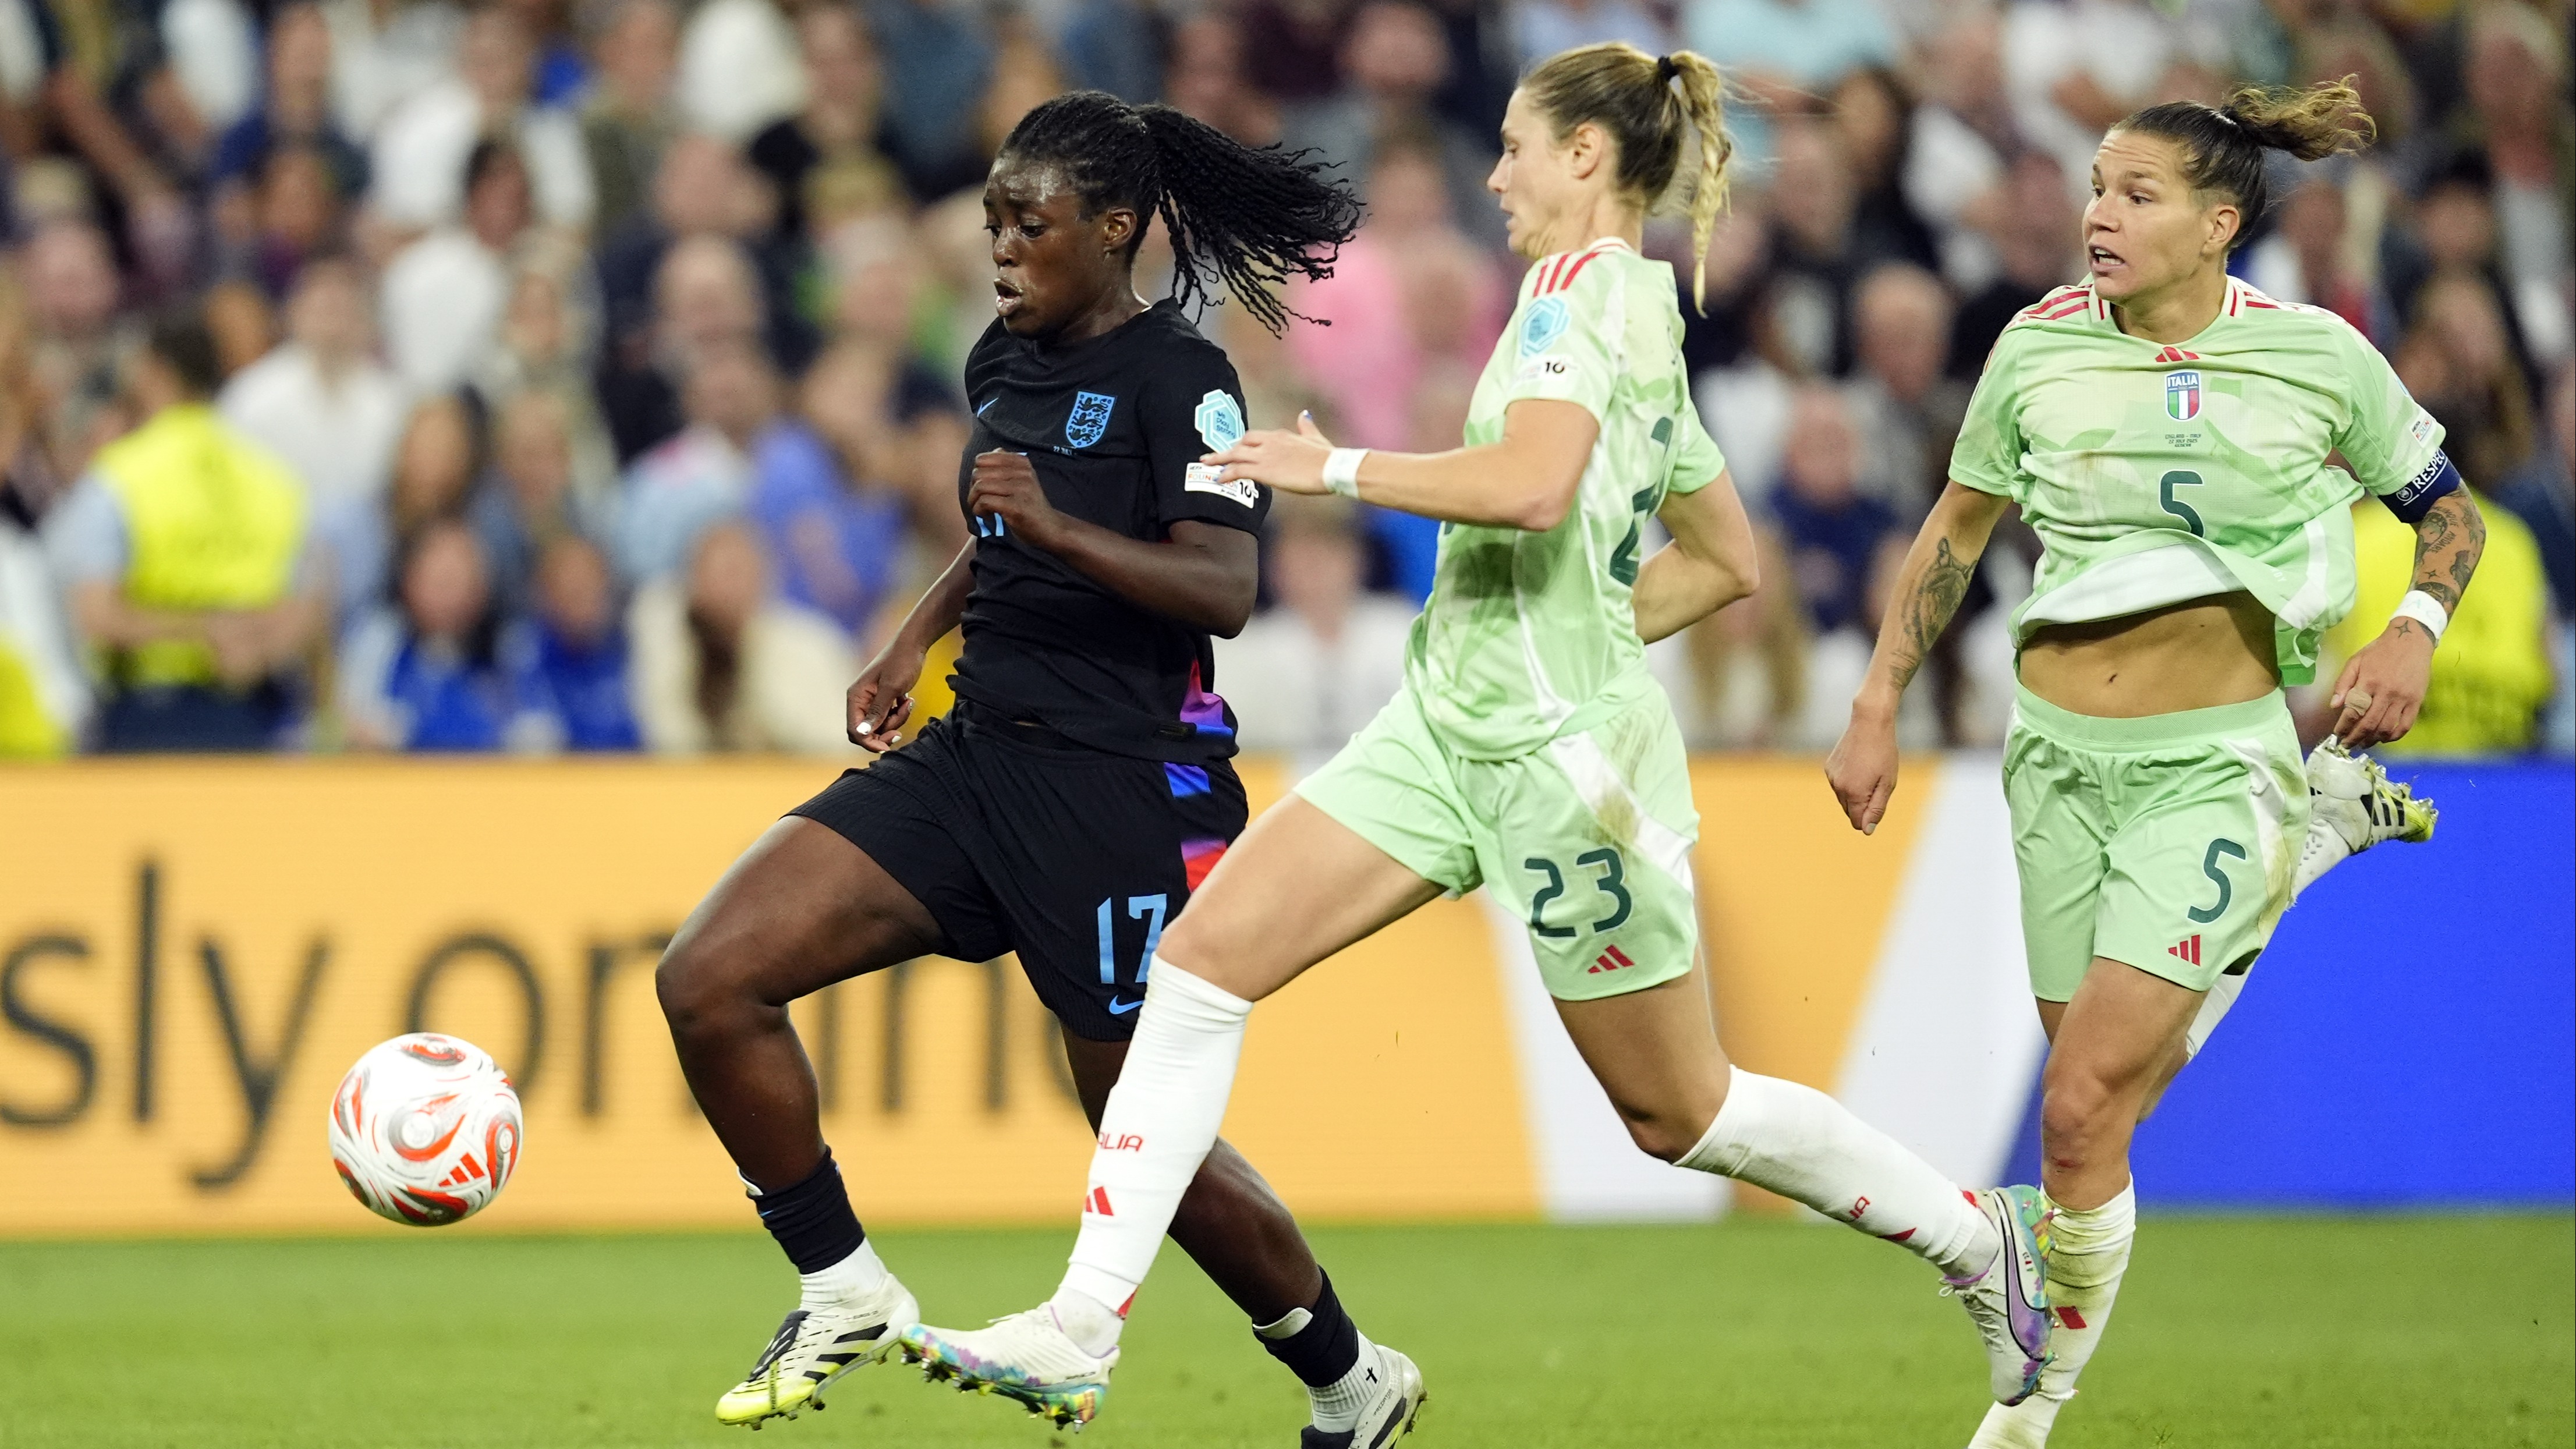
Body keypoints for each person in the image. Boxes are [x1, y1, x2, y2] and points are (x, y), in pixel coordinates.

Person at [902, 42, 2056, 1434]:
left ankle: (1975, 1235)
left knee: (1679, 1110)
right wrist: (1580, 633)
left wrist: (1331, 465)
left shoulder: (1579, 300)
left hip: (1561, 769)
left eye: (1514, 146)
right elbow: (1723, 556)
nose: (1495, 174)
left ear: (1585, 156)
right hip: (1447, 724)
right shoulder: (1628, 310)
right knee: (1199, 963)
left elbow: (1532, 485)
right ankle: (1083, 1322)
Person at [647, 88, 1400, 1442]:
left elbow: (1223, 587)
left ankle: (1352, 1375)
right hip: (975, 751)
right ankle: (842, 1283)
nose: (1000, 247)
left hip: (1123, 783)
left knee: (1137, 1129)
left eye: (1027, 222)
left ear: (1113, 228)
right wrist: (912, 636)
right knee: (708, 975)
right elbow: (999, 520)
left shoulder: (1185, 379)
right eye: (992, 220)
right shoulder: (1003, 355)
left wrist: (1054, 532)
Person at [1822, 83, 2484, 1449]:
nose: (2098, 215)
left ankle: (2025, 1418)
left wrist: (2412, 626)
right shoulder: (2036, 344)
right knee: (2098, 1117)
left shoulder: (2316, 356)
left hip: (2212, 761)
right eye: (2095, 189)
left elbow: (2449, 516)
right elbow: (1956, 529)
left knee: (2074, 1106)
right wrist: (1876, 697)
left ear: (2216, 224)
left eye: (2135, 194)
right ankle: (2310, 846)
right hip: (2053, 756)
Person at [44, 311, 322, 750]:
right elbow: (308, 607)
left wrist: (199, 632)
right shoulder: (273, 477)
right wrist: (256, 645)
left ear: (154, 372)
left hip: (149, 714)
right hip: (259, 712)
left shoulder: (120, 476)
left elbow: (96, 614)